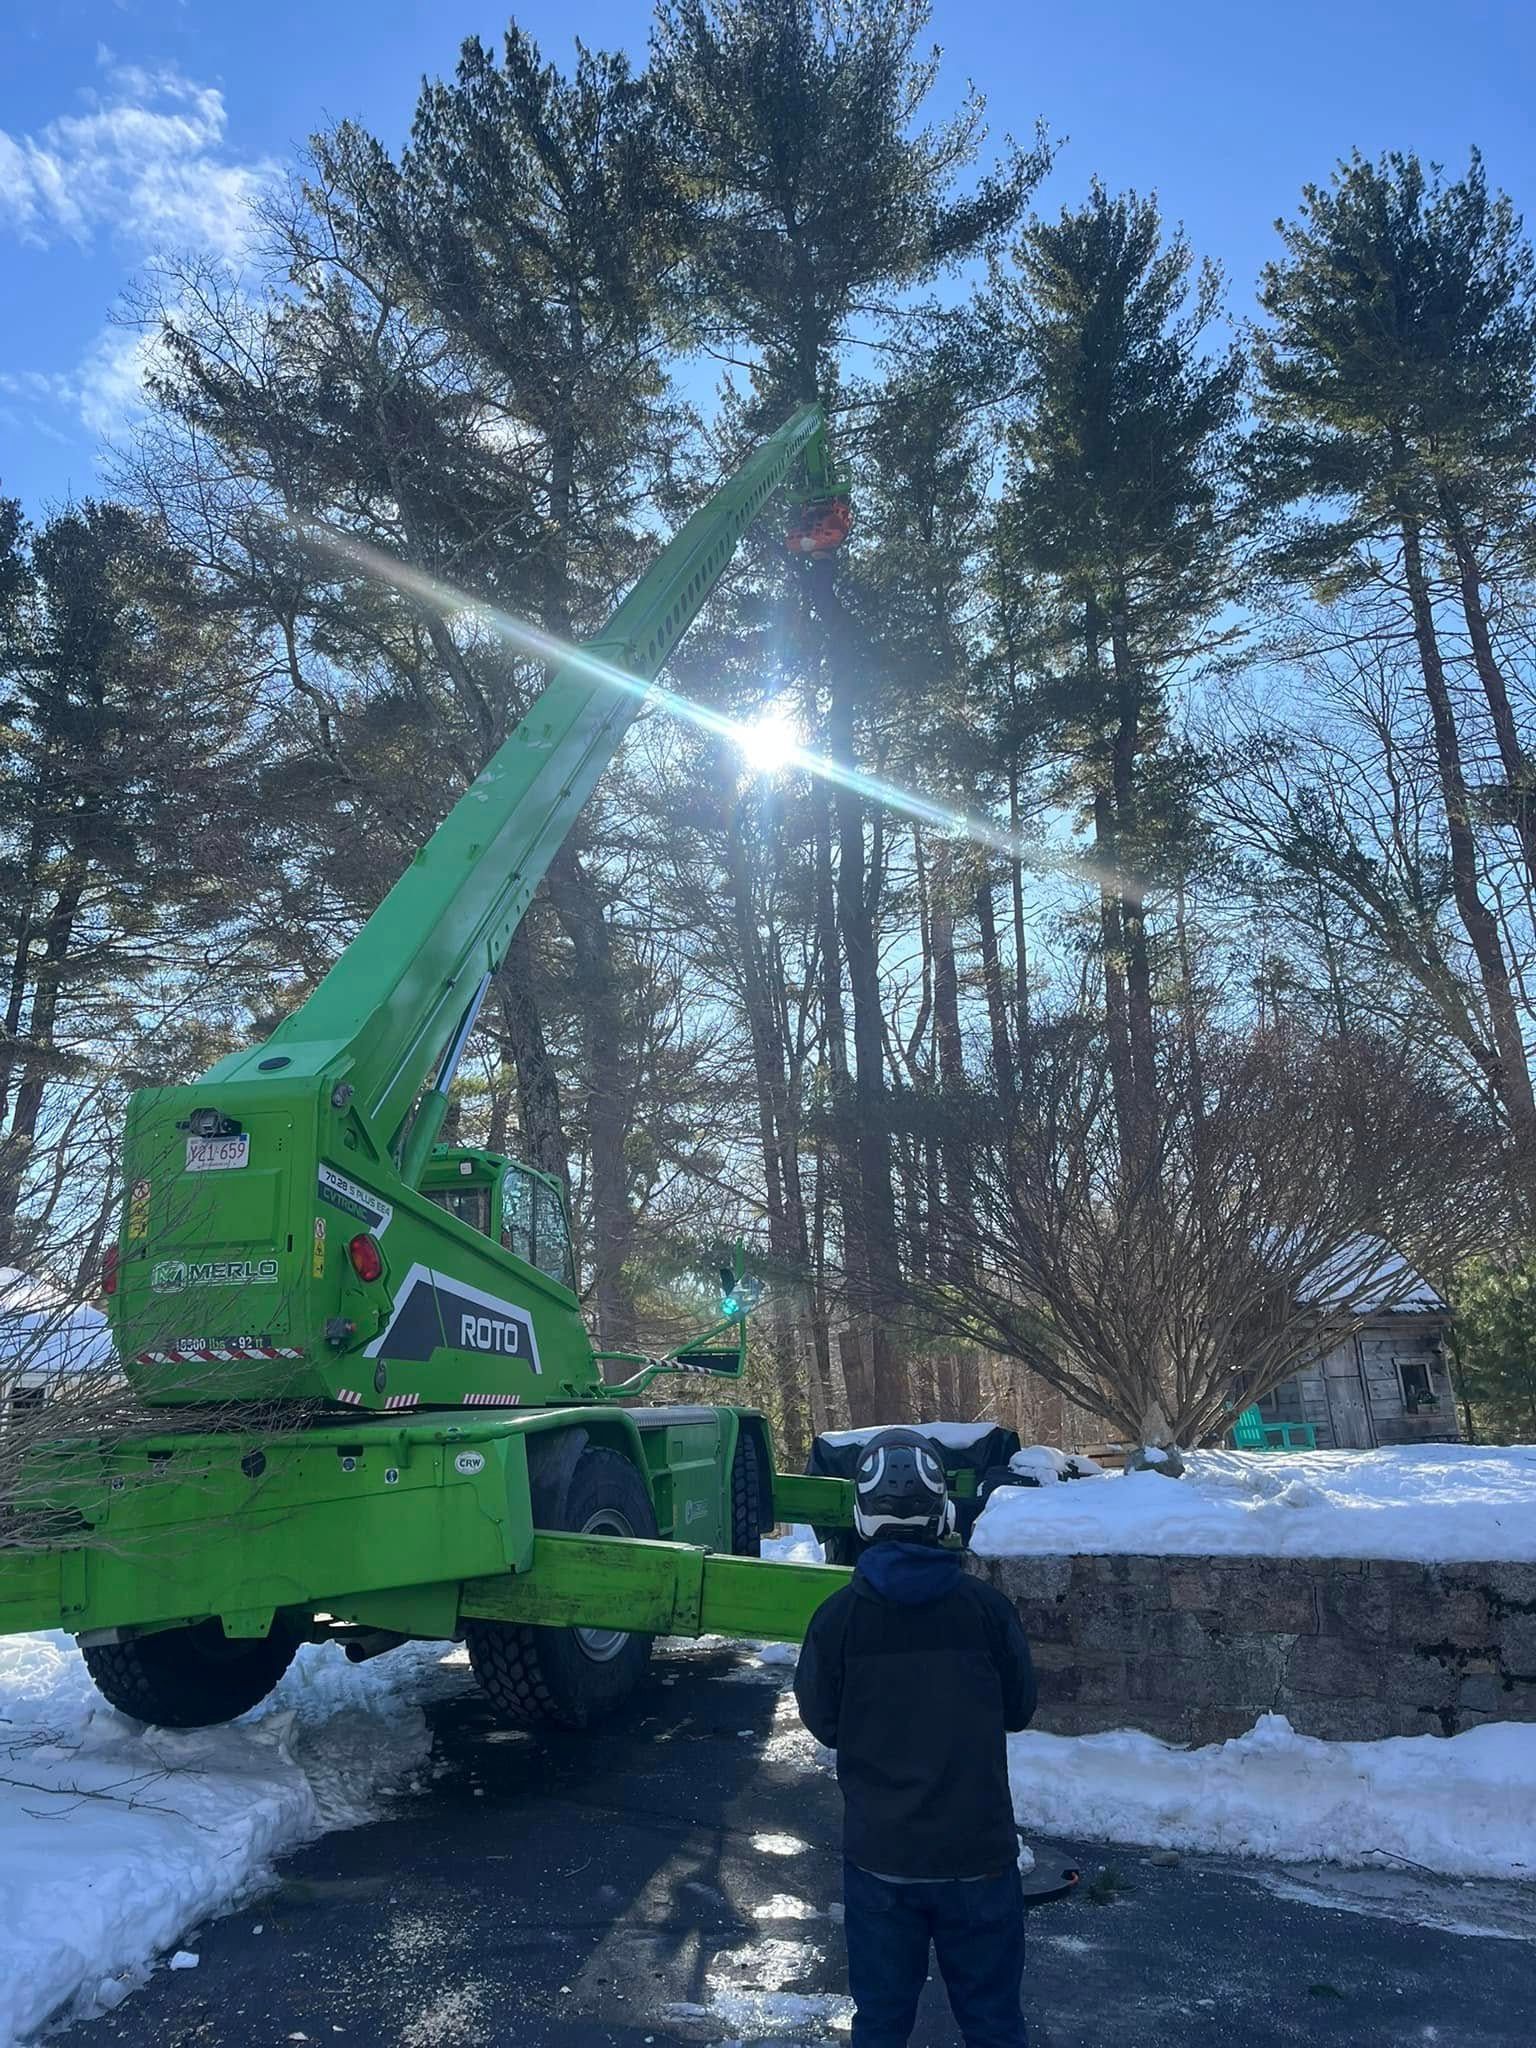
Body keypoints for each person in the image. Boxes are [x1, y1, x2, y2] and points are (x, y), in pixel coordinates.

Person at [794, 1428, 1038, 2048]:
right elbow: (1019, 1710)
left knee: (880, 2025)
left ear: (862, 1517)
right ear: (942, 1514)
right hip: (978, 1855)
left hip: (882, 1859)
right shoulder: (987, 1609)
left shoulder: (837, 1619)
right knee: (994, 2025)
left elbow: (822, 1721)